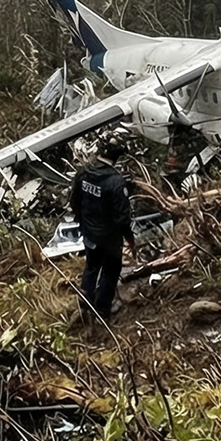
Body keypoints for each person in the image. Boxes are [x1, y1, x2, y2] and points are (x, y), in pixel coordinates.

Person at [71, 136, 134, 321]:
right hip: (109, 239)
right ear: (117, 157)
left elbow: (74, 201)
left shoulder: (84, 172)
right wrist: (129, 238)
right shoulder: (116, 182)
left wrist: (83, 223)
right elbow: (122, 217)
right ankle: (102, 309)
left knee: (91, 267)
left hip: (89, 233)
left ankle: (85, 304)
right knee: (111, 271)